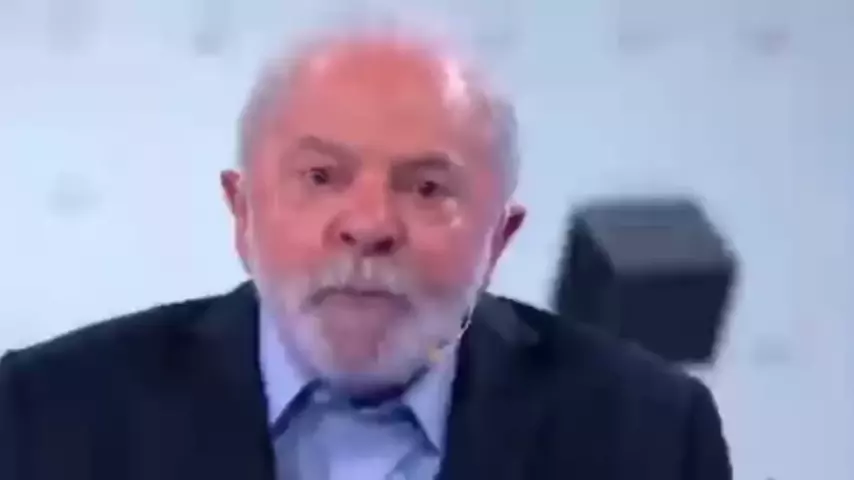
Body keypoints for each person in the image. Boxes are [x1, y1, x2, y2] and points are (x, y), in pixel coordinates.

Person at [0, 26, 731, 480]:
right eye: (322, 177)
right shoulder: (45, 415)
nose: (371, 225)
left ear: (498, 240)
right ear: (243, 213)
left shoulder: (650, 434)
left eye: (428, 187)